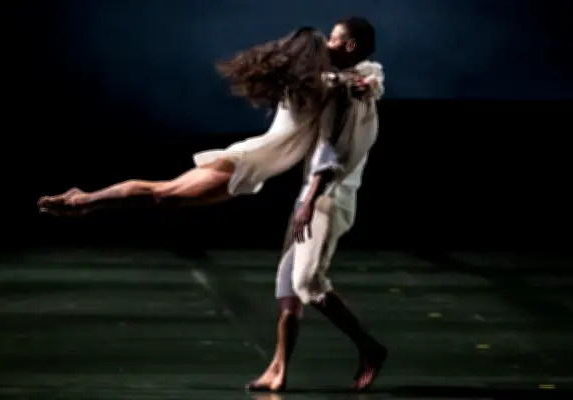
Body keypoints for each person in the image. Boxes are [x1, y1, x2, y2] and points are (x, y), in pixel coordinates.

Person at [37, 27, 338, 216]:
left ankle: (85, 199)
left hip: (249, 158)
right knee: (165, 195)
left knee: (164, 193)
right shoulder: (311, 88)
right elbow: (344, 83)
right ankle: (85, 201)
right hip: (249, 162)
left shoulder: (301, 86)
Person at [246, 17, 387, 393]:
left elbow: (333, 152)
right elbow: (327, 81)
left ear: (351, 46)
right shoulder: (340, 82)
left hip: (327, 198)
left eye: (336, 38)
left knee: (307, 283)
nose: (328, 42)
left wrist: (309, 200)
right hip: (311, 196)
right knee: (287, 289)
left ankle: (370, 347)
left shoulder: (357, 86)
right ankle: (278, 368)